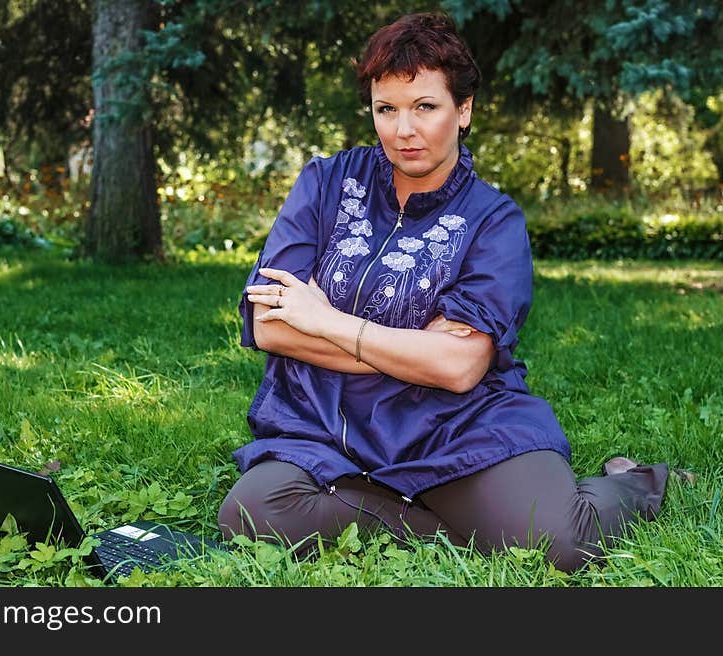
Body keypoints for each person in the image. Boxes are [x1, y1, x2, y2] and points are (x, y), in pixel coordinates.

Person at [217, 11, 670, 573]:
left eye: (425, 107)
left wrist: (326, 320)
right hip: (327, 426)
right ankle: (457, 525)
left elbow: (457, 369)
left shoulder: (493, 221)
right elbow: (270, 325)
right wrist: (412, 349)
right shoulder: (325, 182)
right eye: (387, 109)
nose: (403, 131)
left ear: (464, 110)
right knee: (250, 513)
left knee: (561, 543)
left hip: (454, 425)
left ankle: (631, 484)